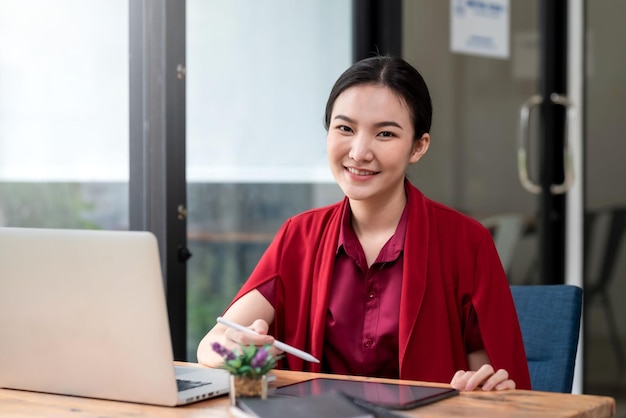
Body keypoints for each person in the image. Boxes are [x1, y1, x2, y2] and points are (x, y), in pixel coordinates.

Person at [197, 55, 532, 391]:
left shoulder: (466, 241)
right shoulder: (299, 235)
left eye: (384, 134)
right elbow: (210, 345)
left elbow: (495, 384)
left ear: (418, 147)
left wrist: (479, 389)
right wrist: (240, 352)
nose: (358, 152)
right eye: (345, 128)